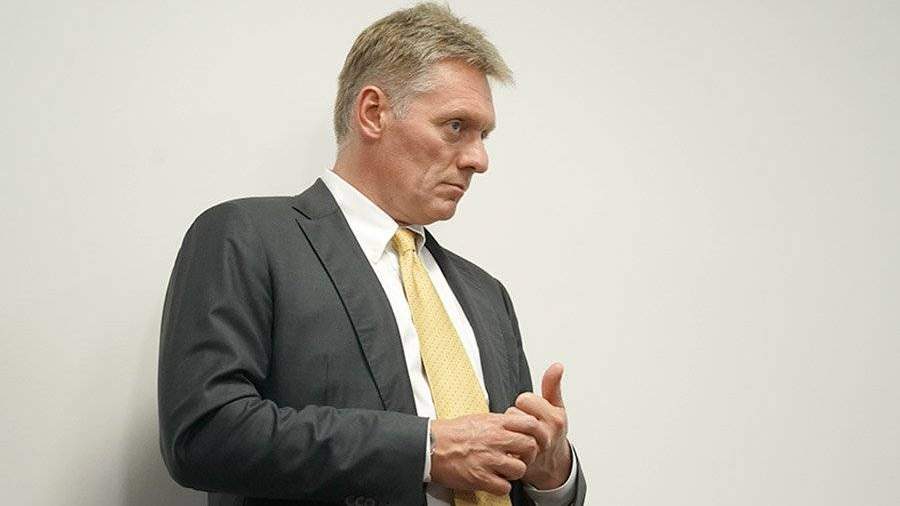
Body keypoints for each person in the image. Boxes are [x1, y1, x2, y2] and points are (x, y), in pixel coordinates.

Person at [158, 3, 586, 505]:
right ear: (373, 113)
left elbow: (507, 475)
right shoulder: (248, 237)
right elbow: (205, 432)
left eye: (483, 135)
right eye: (455, 126)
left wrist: (552, 473)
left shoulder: (488, 296)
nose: (479, 159)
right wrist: (425, 451)